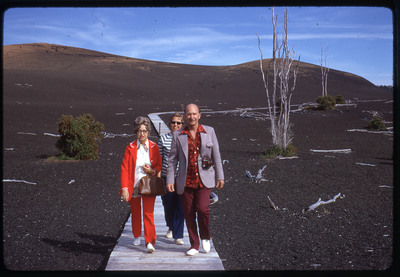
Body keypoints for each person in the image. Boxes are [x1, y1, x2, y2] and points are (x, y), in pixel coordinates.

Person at [166, 103, 225, 256]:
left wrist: (220, 176)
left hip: (205, 179)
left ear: (199, 115)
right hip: (185, 180)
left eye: (194, 114)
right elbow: (172, 160)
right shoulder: (178, 135)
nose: (191, 117)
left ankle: (205, 236)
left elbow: (216, 155)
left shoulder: (209, 131)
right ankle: (194, 244)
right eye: (188, 114)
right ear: (185, 116)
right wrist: (170, 180)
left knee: (203, 208)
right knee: (189, 212)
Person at [120, 116, 162, 253]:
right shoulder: (130, 147)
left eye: (144, 131)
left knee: (148, 213)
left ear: (149, 132)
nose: (142, 134)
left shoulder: (154, 147)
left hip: (149, 184)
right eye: (139, 131)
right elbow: (125, 168)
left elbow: (158, 167)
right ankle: (137, 234)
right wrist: (125, 188)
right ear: (136, 132)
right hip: (134, 185)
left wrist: (151, 170)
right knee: (135, 212)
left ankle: (149, 241)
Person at [157, 113, 185, 245]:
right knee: (168, 205)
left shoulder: (186, 139)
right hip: (166, 177)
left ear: (182, 125)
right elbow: (158, 159)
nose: (176, 125)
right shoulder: (163, 139)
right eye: (173, 122)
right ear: (169, 124)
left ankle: (178, 234)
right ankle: (170, 226)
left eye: (178, 123)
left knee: (181, 205)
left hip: (182, 177)